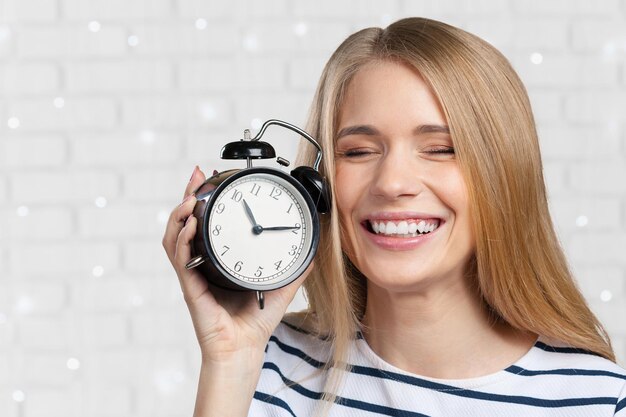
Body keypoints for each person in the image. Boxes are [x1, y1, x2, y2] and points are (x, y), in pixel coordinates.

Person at [163, 17, 626, 417]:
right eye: (359, 151)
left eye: (441, 149)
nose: (391, 182)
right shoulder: (265, 366)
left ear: (504, 175)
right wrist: (231, 362)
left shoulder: (597, 399)